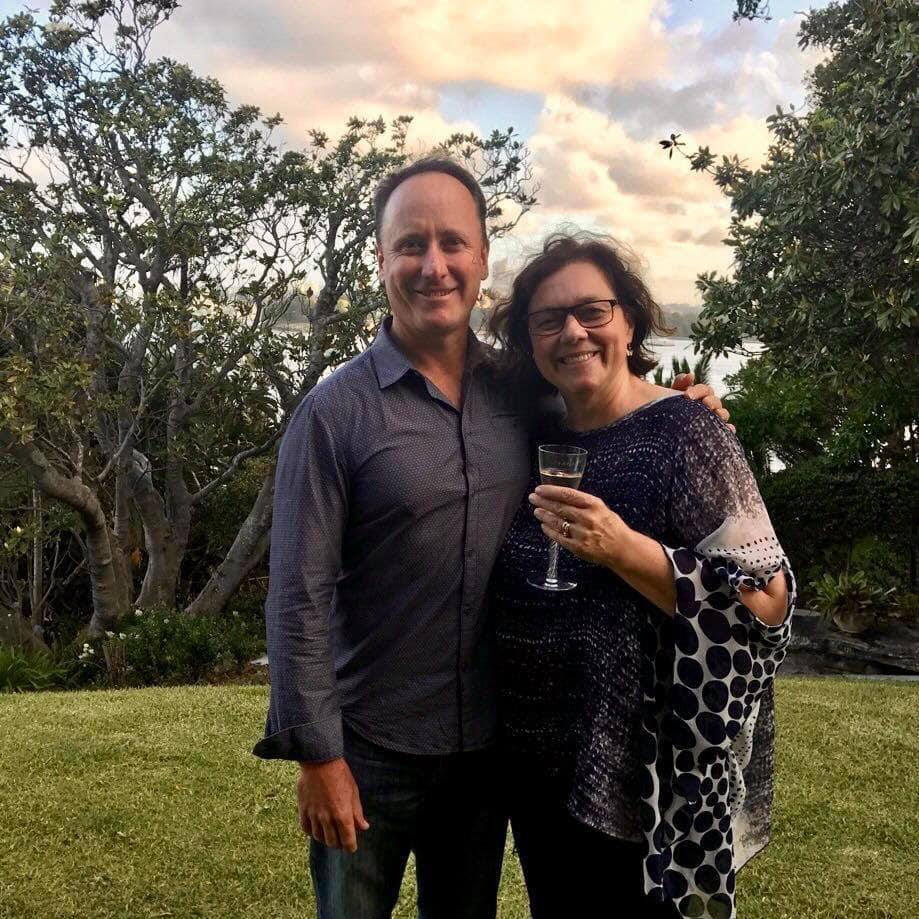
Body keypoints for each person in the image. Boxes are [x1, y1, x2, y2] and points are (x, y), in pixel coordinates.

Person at [254, 159, 729, 919]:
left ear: (481, 259)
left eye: (452, 243)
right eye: (410, 244)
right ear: (381, 260)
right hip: (370, 747)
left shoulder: (524, 392)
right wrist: (319, 755)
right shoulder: (333, 413)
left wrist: (682, 404)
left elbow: (606, 408)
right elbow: (295, 596)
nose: (432, 265)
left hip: (486, 754)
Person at [487, 234, 795, 919]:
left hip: (648, 779)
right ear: (530, 342)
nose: (571, 331)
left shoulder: (686, 432)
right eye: (547, 319)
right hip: (537, 770)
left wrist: (625, 549)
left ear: (629, 320)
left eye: (591, 311)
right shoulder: (535, 434)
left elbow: (765, 607)